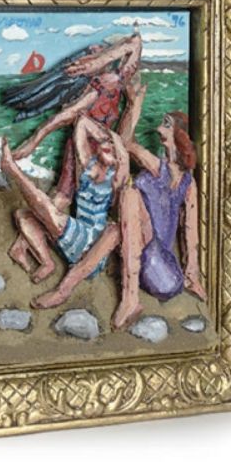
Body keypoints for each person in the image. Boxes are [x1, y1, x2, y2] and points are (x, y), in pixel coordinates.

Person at [27, 79, 206, 330]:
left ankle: (129, 299)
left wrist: (134, 105)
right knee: (114, 229)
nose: (158, 127)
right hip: (149, 265)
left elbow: (124, 145)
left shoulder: (164, 171)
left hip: (160, 269)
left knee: (129, 194)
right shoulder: (177, 177)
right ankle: (64, 289)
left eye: (166, 123)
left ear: (179, 135)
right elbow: (190, 234)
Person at [6, 34, 142, 283]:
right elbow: (64, 116)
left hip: (101, 152)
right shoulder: (98, 88)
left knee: (66, 199)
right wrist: (34, 141)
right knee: (62, 197)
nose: (102, 52)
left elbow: (135, 43)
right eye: (95, 50)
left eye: (103, 50)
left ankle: (25, 245)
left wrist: (102, 58)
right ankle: (25, 245)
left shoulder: (116, 81)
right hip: (84, 149)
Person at [0, 114, 129, 290]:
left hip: (91, 244)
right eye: (107, 144)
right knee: (23, 216)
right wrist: (106, 137)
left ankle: (12, 169)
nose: (109, 148)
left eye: (114, 151)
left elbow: (124, 162)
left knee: (47, 209)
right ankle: (47, 262)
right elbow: (82, 122)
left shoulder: (116, 179)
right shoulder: (87, 165)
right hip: (73, 236)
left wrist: (116, 142)